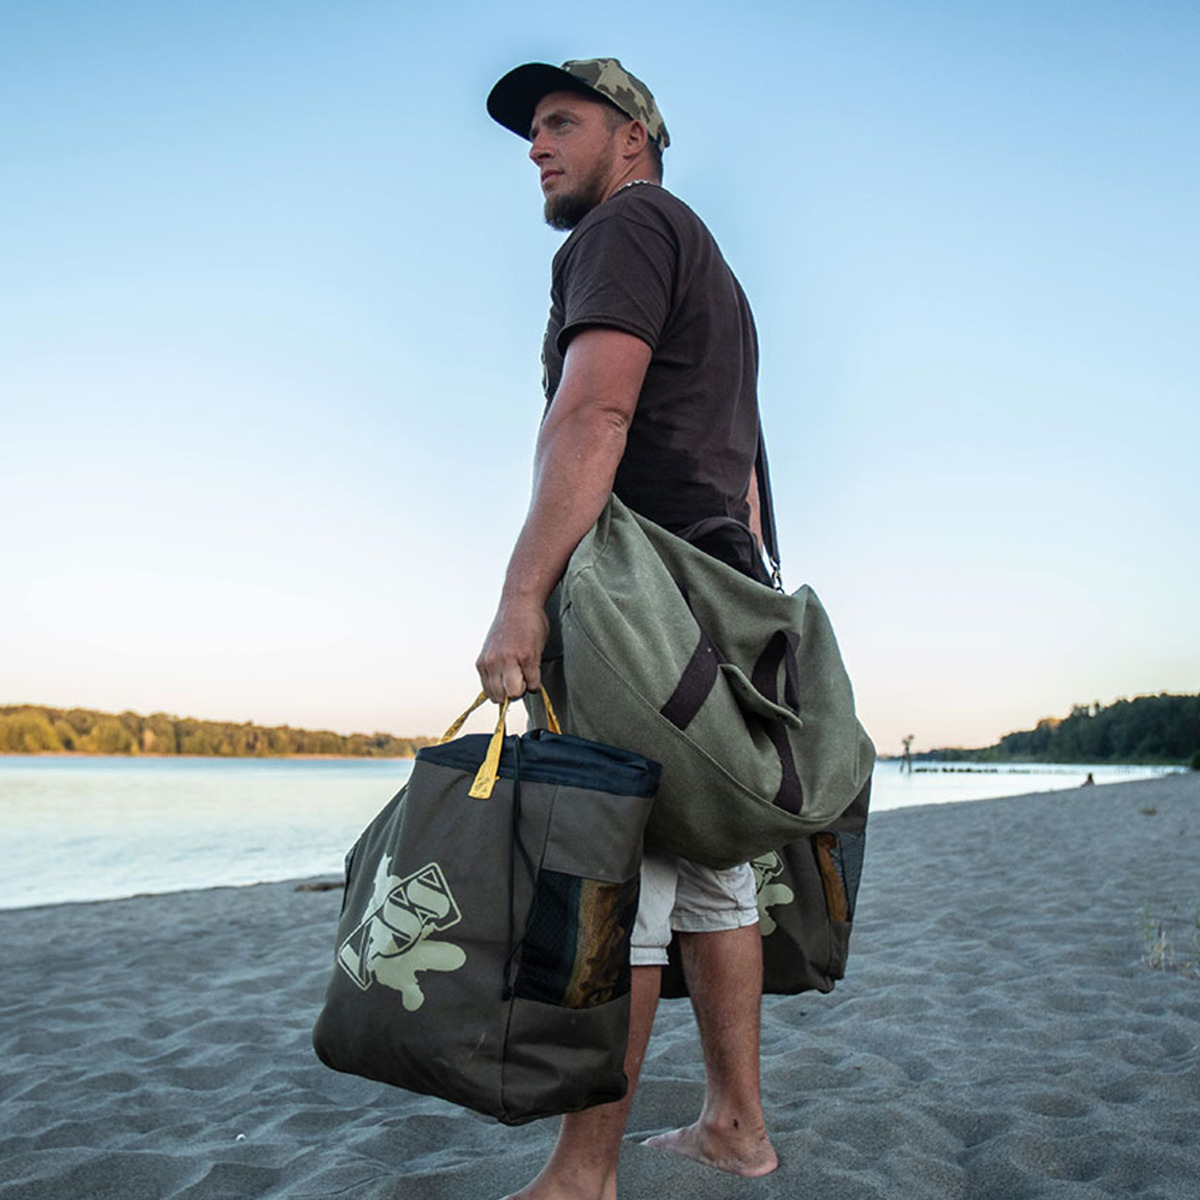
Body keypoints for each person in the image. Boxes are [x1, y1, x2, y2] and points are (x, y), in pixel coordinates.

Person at [476, 57, 780, 1199]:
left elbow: (594, 408)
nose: (539, 146)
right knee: (712, 875)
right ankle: (738, 1130)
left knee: (624, 871)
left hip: (642, 595)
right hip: (722, 583)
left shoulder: (627, 225)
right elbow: (744, 462)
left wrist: (521, 593)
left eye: (563, 122)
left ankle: (581, 1174)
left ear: (634, 135)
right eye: (532, 133)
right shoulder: (707, 257)